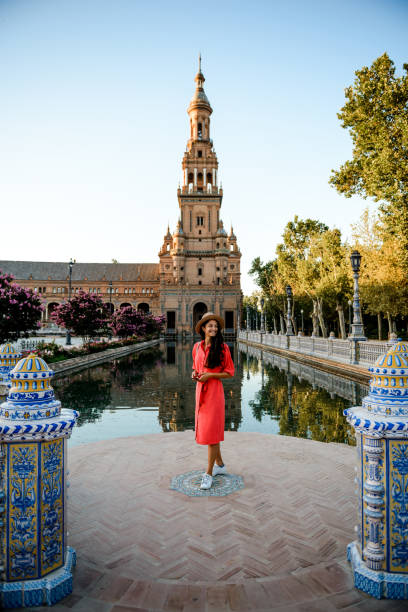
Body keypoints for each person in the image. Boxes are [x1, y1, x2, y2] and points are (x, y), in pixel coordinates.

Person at [192, 312, 234, 490]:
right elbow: (195, 367)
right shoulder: (196, 347)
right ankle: (221, 465)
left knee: (211, 434)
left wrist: (210, 375)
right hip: (201, 391)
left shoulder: (223, 348)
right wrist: (194, 374)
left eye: (216, 326)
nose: (213, 328)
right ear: (203, 328)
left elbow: (229, 372)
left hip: (214, 392)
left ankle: (208, 473)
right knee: (210, 431)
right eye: (210, 326)